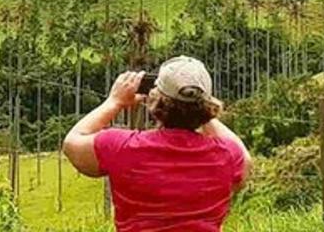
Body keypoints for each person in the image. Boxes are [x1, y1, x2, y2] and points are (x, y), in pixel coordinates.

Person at [62, 56, 251, 231]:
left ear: (155, 99)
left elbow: (72, 143)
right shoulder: (227, 155)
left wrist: (114, 102)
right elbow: (244, 162)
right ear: (207, 104)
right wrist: (200, 111)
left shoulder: (122, 147)